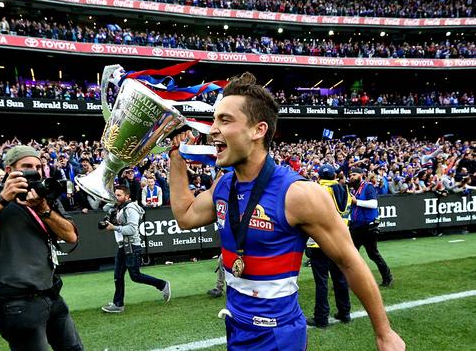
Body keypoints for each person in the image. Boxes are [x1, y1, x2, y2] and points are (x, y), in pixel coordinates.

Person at [169, 72, 404, 351]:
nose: (212, 130)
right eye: (214, 119)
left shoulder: (299, 194)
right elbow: (185, 216)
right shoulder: (223, 185)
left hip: (278, 338)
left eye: (225, 120)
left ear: (259, 130)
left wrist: (384, 333)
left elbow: (350, 261)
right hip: (236, 328)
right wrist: (175, 157)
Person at [0, 145, 83, 351]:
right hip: (16, 301)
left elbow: (71, 236)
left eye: (38, 166)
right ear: (9, 171)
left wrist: (43, 209)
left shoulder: (44, 195)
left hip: (52, 292)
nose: (34, 171)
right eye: (26, 166)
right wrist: (3, 198)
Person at [101, 185, 171, 313]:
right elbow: (104, 207)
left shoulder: (130, 208)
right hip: (124, 246)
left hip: (132, 246)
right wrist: (111, 201)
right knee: (118, 275)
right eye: (115, 195)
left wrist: (114, 228)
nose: (116, 197)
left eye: (119, 195)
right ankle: (118, 304)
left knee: (135, 276)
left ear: (127, 196)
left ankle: (162, 284)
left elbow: (132, 229)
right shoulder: (119, 207)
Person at [305, 164, 352, 328]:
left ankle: (321, 317)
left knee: (322, 282)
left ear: (319, 177)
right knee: (340, 278)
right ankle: (345, 312)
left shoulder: (316, 191)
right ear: (334, 176)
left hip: (320, 243)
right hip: (340, 241)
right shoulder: (345, 190)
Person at [348, 167, 394, 287]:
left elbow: (374, 204)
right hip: (355, 227)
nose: (351, 177)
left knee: (373, 254)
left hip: (368, 228)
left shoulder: (368, 187)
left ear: (361, 175)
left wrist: (356, 201)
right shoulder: (355, 190)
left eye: (354, 174)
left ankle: (387, 277)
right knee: (351, 255)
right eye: (350, 175)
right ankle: (346, 281)